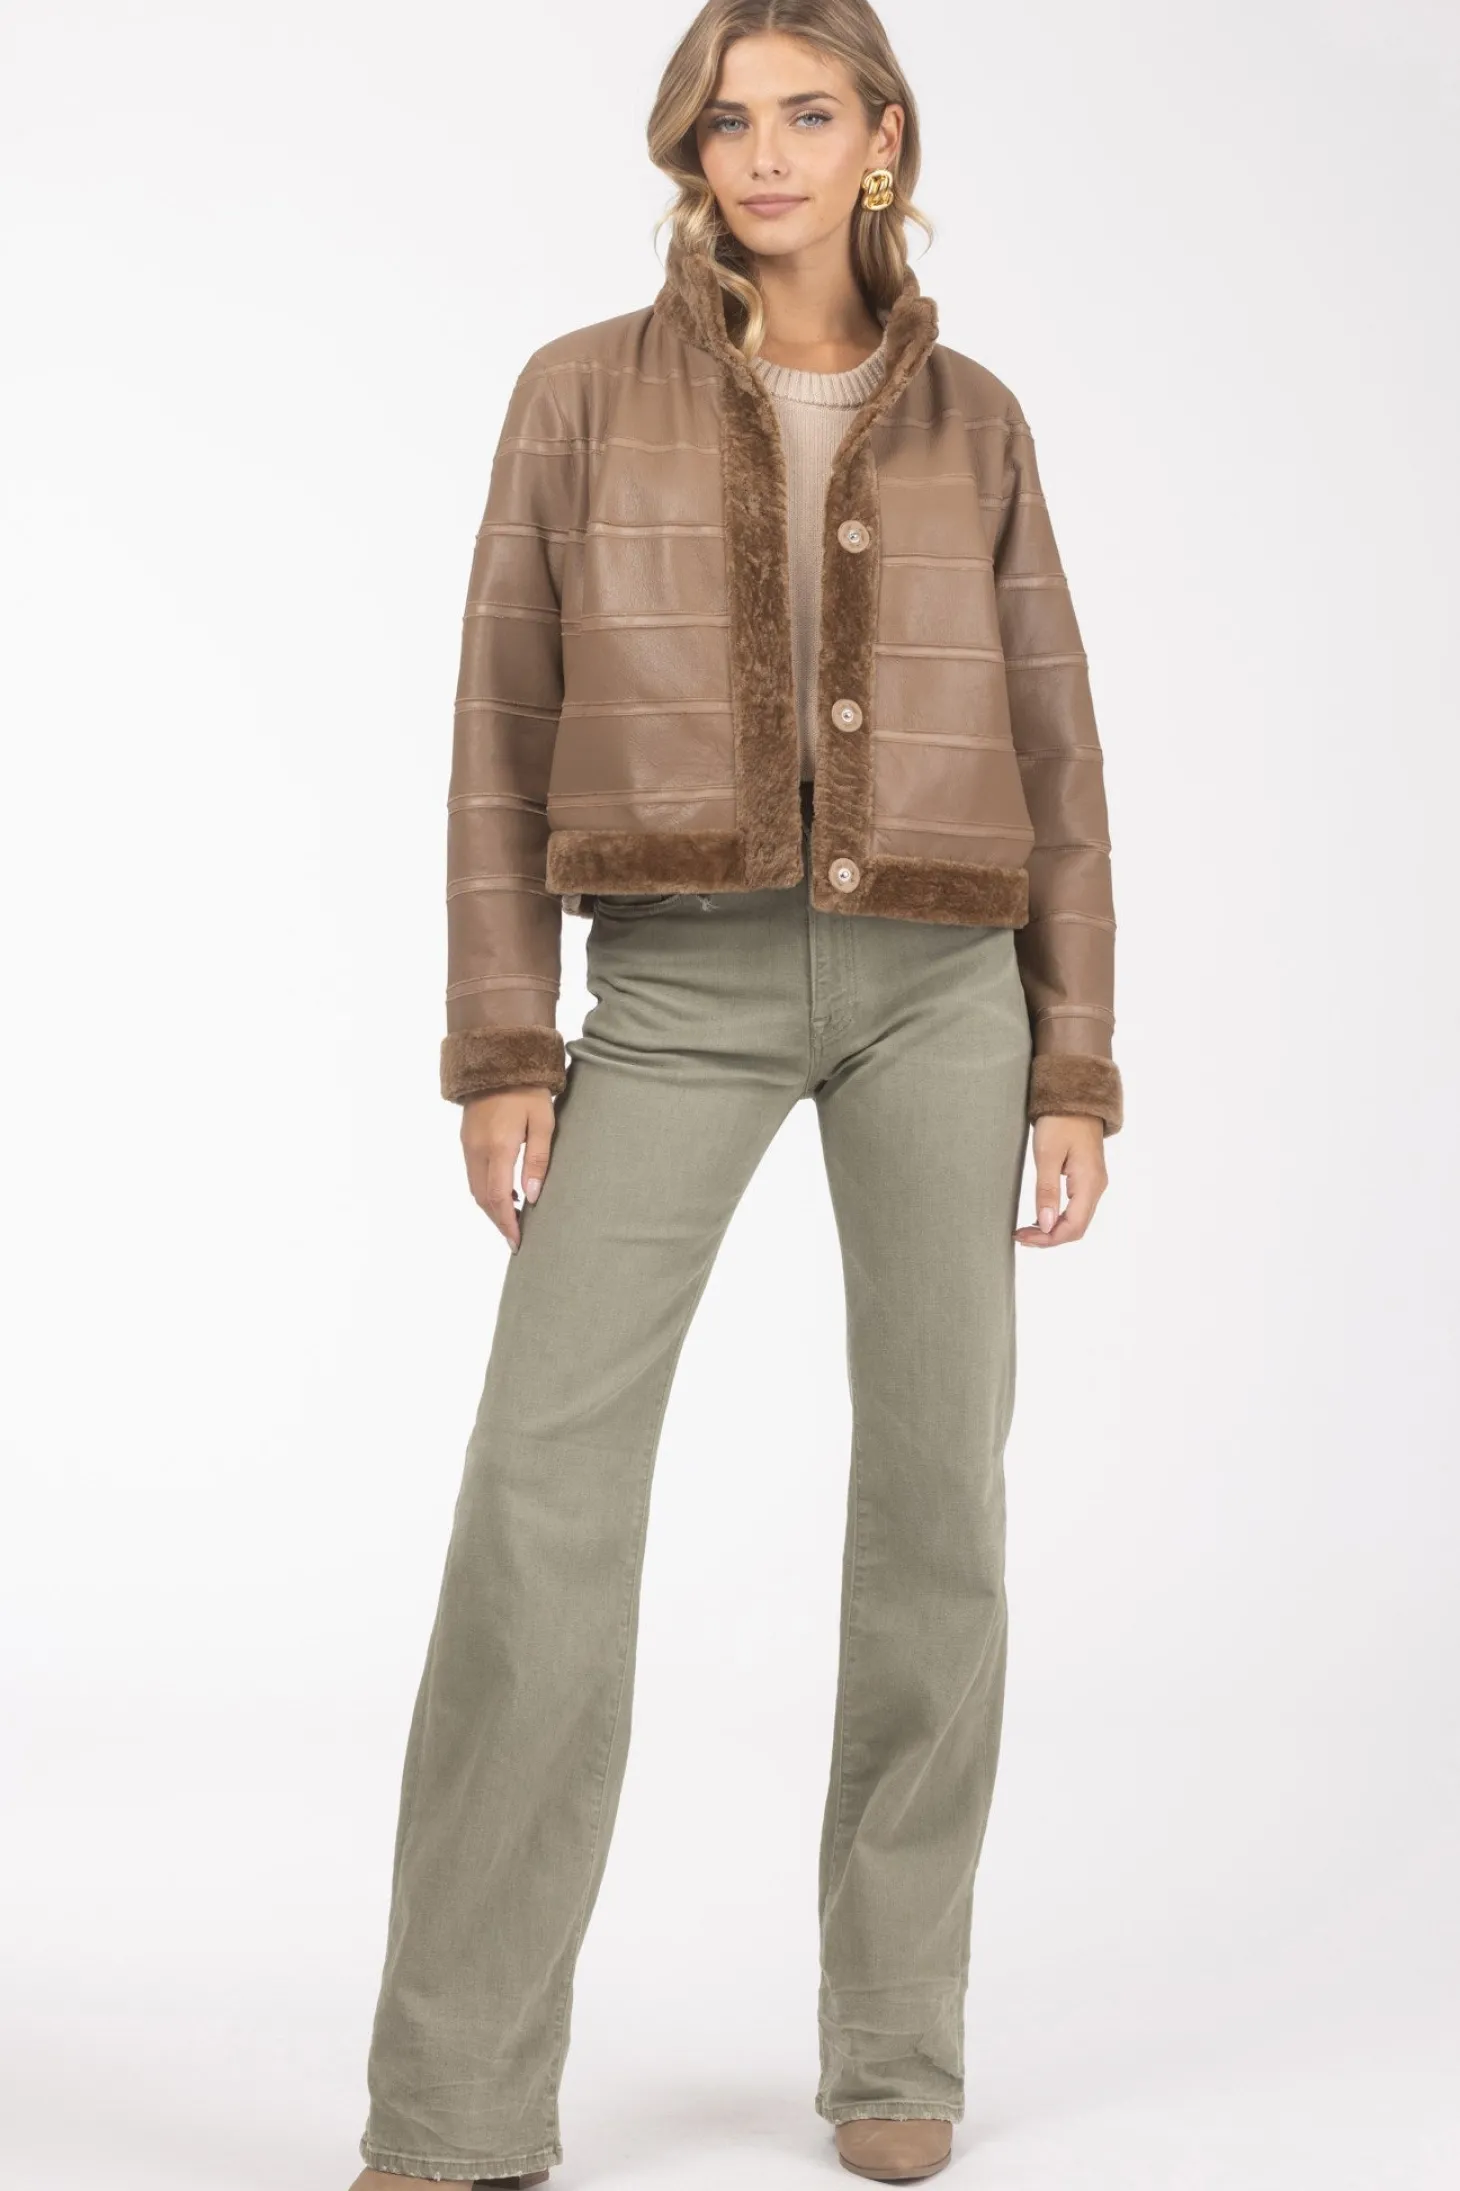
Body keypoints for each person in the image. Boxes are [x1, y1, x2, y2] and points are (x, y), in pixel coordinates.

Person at [349, 2, 1122, 2184]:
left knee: (939, 1514)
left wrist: (1074, 1055)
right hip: (671, 989)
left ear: (882, 138)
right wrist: (505, 1041)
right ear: (686, 149)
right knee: (539, 1498)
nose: (761, 151)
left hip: (945, 996)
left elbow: (1057, 747)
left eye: (804, 112)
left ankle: (896, 2040)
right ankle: (457, 2100)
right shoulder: (577, 393)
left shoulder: (974, 418)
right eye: (725, 119)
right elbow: (500, 717)